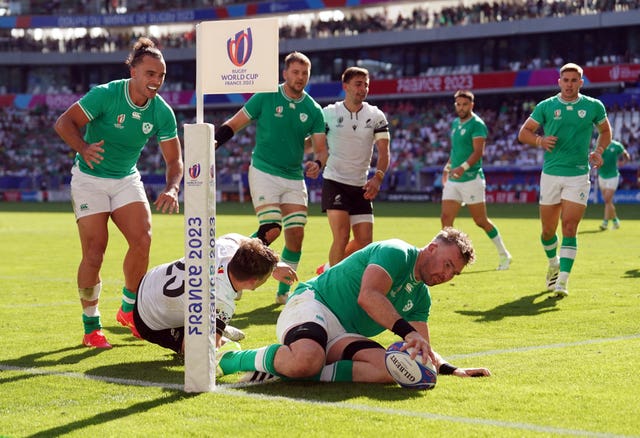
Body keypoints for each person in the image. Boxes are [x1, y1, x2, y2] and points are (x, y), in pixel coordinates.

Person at [217, 227, 491, 384]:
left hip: (342, 334)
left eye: (453, 273)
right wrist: (407, 332)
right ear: (432, 247)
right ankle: (232, 358)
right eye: (447, 264)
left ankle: (293, 368)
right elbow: (369, 296)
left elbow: (420, 345)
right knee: (307, 359)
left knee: (390, 370)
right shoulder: (397, 252)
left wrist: (451, 369)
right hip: (313, 304)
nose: (446, 275)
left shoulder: (421, 297)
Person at [54, 37, 183, 348]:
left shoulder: (161, 112)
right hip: (89, 178)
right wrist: (83, 147)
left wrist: (173, 188)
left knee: (143, 238)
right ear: (134, 71)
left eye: (161, 76)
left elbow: (174, 160)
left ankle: (128, 310)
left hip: (126, 178)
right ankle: (91, 327)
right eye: (150, 74)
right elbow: (64, 122)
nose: (156, 81)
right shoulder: (106, 95)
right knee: (95, 251)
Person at [214, 51, 328, 305]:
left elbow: (321, 148)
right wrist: (213, 143)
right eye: (295, 72)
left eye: (304, 73)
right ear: (285, 73)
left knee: (296, 234)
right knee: (271, 229)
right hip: (264, 170)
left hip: (293, 176)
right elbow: (234, 123)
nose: (300, 77)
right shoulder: (266, 95)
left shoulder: (313, 109)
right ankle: (234, 272)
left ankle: (283, 292)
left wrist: (318, 163)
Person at [518, 62, 612, 298]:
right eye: (565, 80)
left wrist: (599, 152)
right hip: (550, 174)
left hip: (578, 175)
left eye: (574, 80)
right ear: (559, 82)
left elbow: (606, 132)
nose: (569, 84)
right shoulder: (546, 106)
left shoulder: (593, 106)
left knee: (569, 227)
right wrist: (540, 141)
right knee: (548, 230)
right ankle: (553, 263)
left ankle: (563, 281)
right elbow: (524, 133)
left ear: (581, 82)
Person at [133, 234, 297, 354]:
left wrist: (274, 265)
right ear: (253, 281)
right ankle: (215, 325)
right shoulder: (222, 301)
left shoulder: (225, 248)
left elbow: (240, 239)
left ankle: (213, 324)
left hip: (151, 278)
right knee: (211, 350)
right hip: (148, 318)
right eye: (267, 276)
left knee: (200, 314)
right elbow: (204, 352)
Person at [315, 66, 390, 275]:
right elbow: (314, 143)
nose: (363, 89)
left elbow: (384, 152)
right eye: (358, 84)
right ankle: (331, 284)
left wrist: (378, 178)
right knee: (341, 236)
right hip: (335, 181)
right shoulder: (329, 113)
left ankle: (329, 268)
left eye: (366, 84)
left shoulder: (376, 115)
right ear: (345, 86)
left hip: (361, 185)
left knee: (364, 241)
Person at [441, 89, 511, 270]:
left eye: (465, 104)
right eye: (458, 104)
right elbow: (455, 151)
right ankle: (445, 258)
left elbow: (478, 152)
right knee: (446, 219)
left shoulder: (477, 124)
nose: (461, 107)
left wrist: (462, 168)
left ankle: (504, 255)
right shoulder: (455, 123)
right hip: (454, 180)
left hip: (472, 179)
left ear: (472, 105)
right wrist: (447, 168)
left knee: (480, 221)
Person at [597, 139, 630, 230]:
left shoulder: (617, 145)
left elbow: (626, 155)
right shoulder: (599, 145)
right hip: (602, 175)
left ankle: (605, 223)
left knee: (607, 200)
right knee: (608, 201)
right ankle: (615, 220)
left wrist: (623, 162)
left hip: (613, 176)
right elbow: (596, 158)